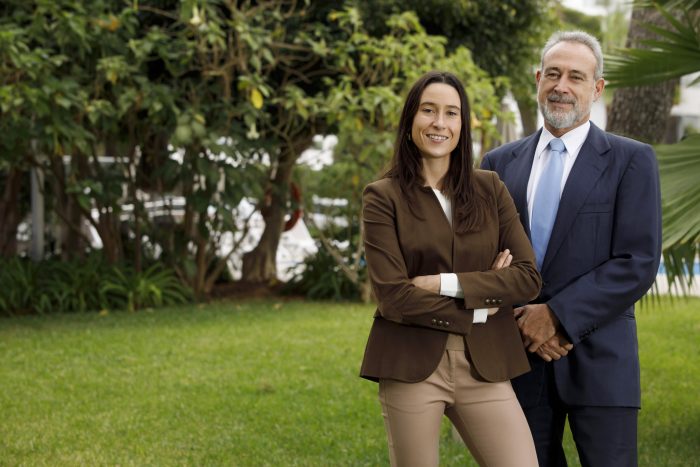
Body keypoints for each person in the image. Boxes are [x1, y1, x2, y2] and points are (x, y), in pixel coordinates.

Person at [481, 31, 662, 467]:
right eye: (554, 74)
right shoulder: (497, 164)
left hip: (602, 361)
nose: (562, 86)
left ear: (597, 88)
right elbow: (483, 259)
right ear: (538, 79)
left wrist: (556, 317)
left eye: (576, 77)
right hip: (517, 358)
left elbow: (636, 261)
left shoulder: (631, 160)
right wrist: (525, 319)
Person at [360, 70, 542, 467]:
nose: (439, 123)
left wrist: (444, 283)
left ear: (463, 124)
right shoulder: (382, 197)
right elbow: (394, 298)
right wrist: (482, 301)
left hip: (485, 365)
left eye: (451, 113)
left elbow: (527, 277)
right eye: (428, 110)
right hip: (411, 367)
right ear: (411, 121)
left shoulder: (490, 188)